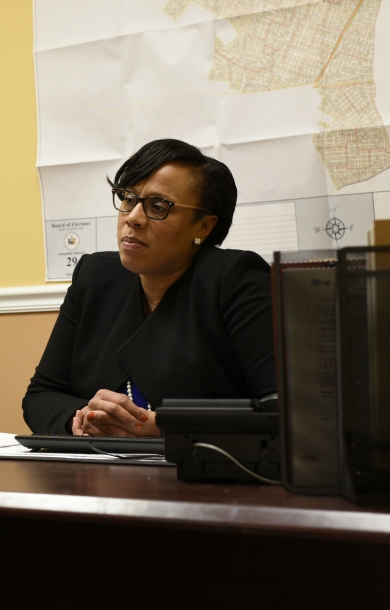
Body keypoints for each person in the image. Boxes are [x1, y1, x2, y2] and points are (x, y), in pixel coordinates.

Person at [23, 139, 275, 437]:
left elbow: (281, 411)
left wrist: (162, 428)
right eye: (128, 199)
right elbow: (41, 396)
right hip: (99, 474)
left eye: (158, 207)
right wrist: (80, 419)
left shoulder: (236, 279)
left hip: (205, 476)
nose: (133, 218)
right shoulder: (96, 277)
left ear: (203, 227)